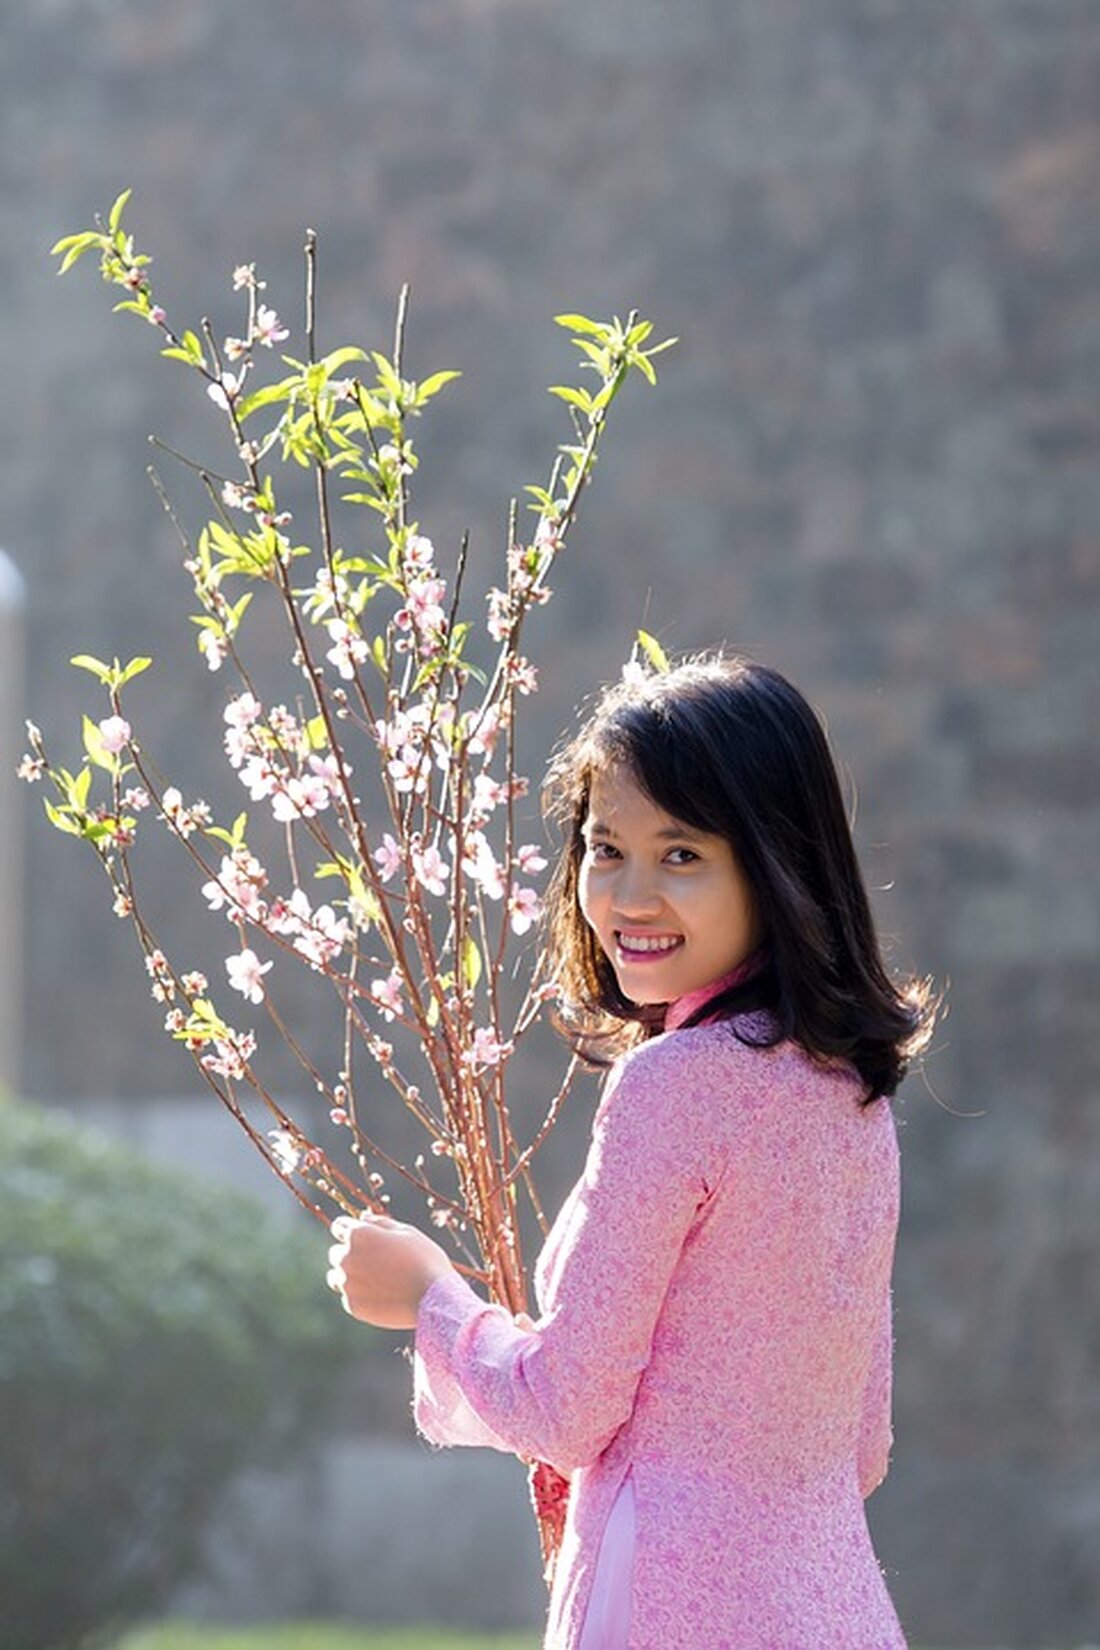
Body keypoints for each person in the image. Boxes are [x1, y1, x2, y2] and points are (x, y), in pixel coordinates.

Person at [328, 654, 935, 1649]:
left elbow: (564, 1406)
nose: (629, 896)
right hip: (834, 1606)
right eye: (604, 849)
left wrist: (428, 1298)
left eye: (682, 855)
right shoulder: (850, 1094)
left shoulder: (674, 1086)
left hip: (663, 1605)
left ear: (778, 865)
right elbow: (857, 1443)